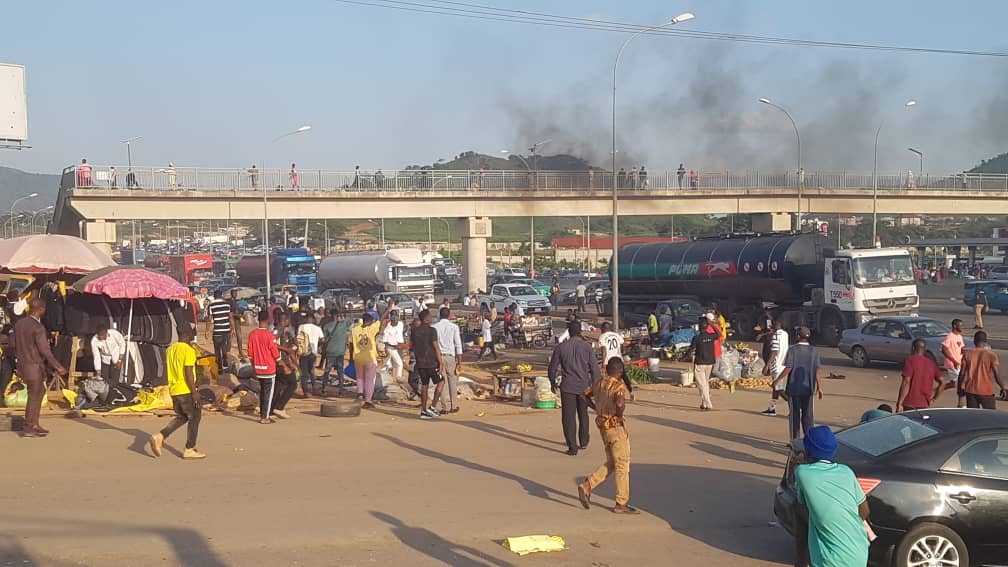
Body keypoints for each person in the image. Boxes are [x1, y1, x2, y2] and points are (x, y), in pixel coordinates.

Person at [794, 426, 870, 567]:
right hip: (859, 551)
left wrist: (800, 560)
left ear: (807, 451)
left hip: (829, 559)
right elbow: (864, 511)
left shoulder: (803, 473)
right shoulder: (846, 472)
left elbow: (800, 512)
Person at [577, 357, 636, 514]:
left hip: (603, 428)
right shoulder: (618, 386)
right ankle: (621, 503)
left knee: (612, 462)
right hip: (615, 427)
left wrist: (596, 408)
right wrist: (619, 414)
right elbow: (619, 403)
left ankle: (588, 485)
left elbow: (583, 395)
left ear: (607, 369)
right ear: (621, 371)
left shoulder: (599, 383)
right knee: (622, 464)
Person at [13, 298, 68, 437]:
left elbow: (13, 344)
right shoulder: (38, 327)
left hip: (22, 365)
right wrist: (58, 366)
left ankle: (34, 423)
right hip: (34, 366)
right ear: (41, 310)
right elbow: (45, 350)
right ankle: (28, 428)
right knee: (34, 396)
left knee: (40, 391)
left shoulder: (19, 324)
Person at [148, 328, 206, 459]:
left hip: (174, 390)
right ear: (187, 335)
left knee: (183, 417)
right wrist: (194, 392)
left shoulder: (170, 349)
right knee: (195, 417)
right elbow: (188, 372)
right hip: (185, 389)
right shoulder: (188, 351)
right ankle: (189, 448)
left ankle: (160, 436)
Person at [548, 320, 602, 456]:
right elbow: (594, 369)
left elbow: (552, 367)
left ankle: (572, 446)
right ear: (580, 331)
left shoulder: (561, 347)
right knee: (583, 414)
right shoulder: (587, 347)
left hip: (567, 387)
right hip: (584, 386)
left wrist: (552, 381)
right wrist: (596, 387)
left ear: (569, 332)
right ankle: (583, 441)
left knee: (568, 417)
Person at [778, 327, 823, 440]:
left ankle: (795, 440)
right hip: (809, 389)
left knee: (794, 415)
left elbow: (789, 367)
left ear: (798, 336)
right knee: (808, 416)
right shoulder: (814, 351)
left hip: (794, 389)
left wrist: (777, 380)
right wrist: (819, 387)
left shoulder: (793, 349)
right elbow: (817, 370)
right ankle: (809, 439)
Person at [247, 311, 282, 423]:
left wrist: (253, 366)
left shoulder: (252, 334)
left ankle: (263, 414)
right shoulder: (270, 335)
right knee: (268, 393)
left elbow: (250, 354)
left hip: (257, 368)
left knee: (262, 392)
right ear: (268, 320)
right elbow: (274, 351)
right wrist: (280, 362)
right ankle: (265, 417)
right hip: (269, 369)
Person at [958, 331, 1006, 409]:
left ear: (974, 341)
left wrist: (960, 390)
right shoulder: (991, 355)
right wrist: (1002, 388)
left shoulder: (967, 354)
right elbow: (996, 375)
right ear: (985, 342)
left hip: (970, 390)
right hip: (986, 391)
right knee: (990, 416)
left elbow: (962, 374)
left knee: (974, 417)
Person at [411, 309, 445, 419]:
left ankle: (423, 410)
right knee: (441, 382)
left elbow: (412, 346)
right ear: (426, 319)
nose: (432, 318)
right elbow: (436, 347)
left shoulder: (414, 331)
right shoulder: (432, 331)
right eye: (430, 317)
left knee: (424, 386)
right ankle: (433, 406)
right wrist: (440, 362)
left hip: (421, 363)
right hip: (431, 362)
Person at [896, 339, 946, 412]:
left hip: (909, 403)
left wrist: (899, 403)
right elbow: (943, 382)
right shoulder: (931, 363)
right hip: (924, 403)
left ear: (913, 348)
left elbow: (906, 382)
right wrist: (934, 399)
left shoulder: (910, 360)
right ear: (924, 349)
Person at [433, 307, 463, 413]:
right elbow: (458, 344)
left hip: (439, 357)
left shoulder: (434, 327)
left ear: (439, 315)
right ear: (449, 315)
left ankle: (444, 407)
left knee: (442, 382)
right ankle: (454, 406)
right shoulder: (454, 327)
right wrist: (459, 361)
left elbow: (433, 344)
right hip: (450, 356)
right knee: (452, 381)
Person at [349, 312, 382, 408]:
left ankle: (360, 394)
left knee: (359, 377)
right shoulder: (371, 329)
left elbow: (351, 345)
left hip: (358, 357)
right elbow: (381, 320)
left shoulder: (355, 330)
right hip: (369, 357)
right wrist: (388, 309)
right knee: (369, 380)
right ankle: (368, 400)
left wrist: (351, 358)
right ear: (371, 321)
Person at [687, 317, 718, 411]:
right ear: (707, 327)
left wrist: (684, 356)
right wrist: (712, 324)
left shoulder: (696, 338)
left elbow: (690, 350)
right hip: (710, 362)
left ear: (699, 328)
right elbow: (719, 334)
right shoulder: (711, 336)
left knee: (702, 384)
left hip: (700, 363)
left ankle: (708, 403)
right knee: (705, 383)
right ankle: (703, 403)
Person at [761, 320, 789, 416]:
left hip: (776, 365)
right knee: (776, 387)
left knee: (778, 388)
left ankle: (794, 406)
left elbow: (774, 351)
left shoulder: (776, 336)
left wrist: (767, 365)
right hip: (783, 364)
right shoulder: (785, 334)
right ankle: (772, 408)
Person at [321, 310, 353, 395]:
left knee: (327, 371)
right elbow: (351, 320)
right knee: (340, 371)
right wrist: (347, 314)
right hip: (340, 352)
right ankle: (341, 390)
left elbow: (323, 339)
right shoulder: (344, 324)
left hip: (330, 351)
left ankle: (324, 389)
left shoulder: (327, 326)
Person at [205, 290, 233, 374]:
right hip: (226, 329)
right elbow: (231, 317)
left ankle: (220, 369)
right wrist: (233, 329)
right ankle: (225, 361)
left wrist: (207, 331)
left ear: (214, 296)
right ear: (221, 296)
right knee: (224, 346)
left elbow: (209, 319)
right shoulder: (227, 304)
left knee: (217, 349)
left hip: (217, 330)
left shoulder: (211, 306)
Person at [296, 314, 324, 396]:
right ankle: (314, 388)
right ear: (313, 319)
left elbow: (299, 339)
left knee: (304, 373)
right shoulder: (318, 328)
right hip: (313, 352)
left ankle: (306, 391)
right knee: (312, 371)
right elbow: (322, 339)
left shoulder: (301, 327)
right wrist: (317, 345)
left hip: (303, 352)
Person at [381, 310, 405, 384]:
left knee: (391, 363)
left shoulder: (400, 324)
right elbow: (385, 341)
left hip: (398, 347)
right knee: (399, 363)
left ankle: (388, 374)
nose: (396, 321)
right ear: (391, 321)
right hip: (392, 348)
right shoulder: (388, 329)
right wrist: (394, 345)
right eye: (394, 320)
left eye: (396, 320)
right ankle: (398, 378)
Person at [941, 318, 965, 383]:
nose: (962, 327)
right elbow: (944, 349)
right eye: (960, 326)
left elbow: (961, 348)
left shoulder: (959, 336)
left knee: (955, 382)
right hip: (951, 363)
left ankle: (940, 388)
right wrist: (953, 361)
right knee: (958, 380)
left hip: (958, 363)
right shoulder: (950, 336)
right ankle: (939, 388)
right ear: (955, 326)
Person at [228, 288, 245, 357]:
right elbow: (230, 313)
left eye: (236, 293)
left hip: (237, 320)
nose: (235, 294)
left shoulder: (235, 301)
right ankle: (228, 352)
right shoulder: (231, 302)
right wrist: (238, 315)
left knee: (238, 337)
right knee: (231, 337)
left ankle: (240, 352)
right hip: (233, 321)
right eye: (234, 293)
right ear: (231, 294)